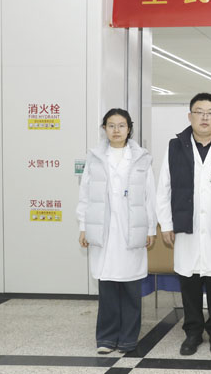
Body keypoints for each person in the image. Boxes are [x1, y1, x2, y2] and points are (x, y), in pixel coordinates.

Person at [156, 92, 211, 356]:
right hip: (187, 226)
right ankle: (192, 333)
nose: (204, 117)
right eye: (199, 112)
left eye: (210, 112)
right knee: (189, 283)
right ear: (190, 116)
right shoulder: (175, 147)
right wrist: (166, 224)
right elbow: (164, 188)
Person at [77, 108, 156, 354]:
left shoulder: (142, 158)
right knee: (108, 285)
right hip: (103, 228)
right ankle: (106, 338)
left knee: (131, 287)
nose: (116, 130)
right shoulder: (95, 157)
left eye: (121, 126)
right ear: (104, 129)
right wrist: (83, 226)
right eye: (111, 125)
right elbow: (85, 194)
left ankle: (129, 338)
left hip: (132, 227)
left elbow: (150, 196)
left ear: (129, 129)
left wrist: (150, 228)